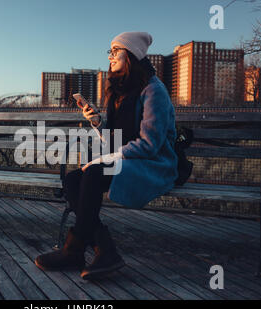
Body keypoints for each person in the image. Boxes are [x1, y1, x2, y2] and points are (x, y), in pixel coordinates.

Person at [34, 31, 178, 280]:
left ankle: (74, 251)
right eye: (109, 51)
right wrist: (98, 123)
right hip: (129, 160)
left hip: (153, 164)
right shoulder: (119, 91)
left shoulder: (154, 91)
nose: (110, 56)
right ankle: (102, 249)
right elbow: (116, 142)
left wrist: (106, 159)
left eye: (116, 51)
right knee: (72, 179)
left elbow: (150, 145)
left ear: (131, 55)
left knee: (92, 172)